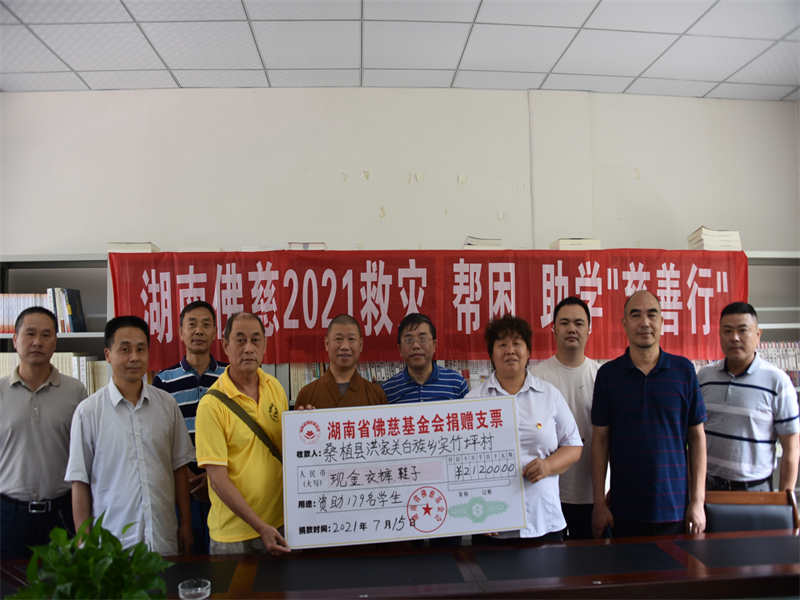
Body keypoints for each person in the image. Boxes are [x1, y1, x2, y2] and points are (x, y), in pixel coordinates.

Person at [66, 316, 194, 555]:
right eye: (125, 349)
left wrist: (185, 524)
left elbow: (179, 469)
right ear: (108, 355)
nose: (134, 357)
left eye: (140, 349)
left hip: (163, 540)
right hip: (112, 547)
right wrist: (84, 543)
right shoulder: (88, 412)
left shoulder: (167, 405)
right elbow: (80, 482)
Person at [591, 290, 707, 539]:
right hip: (623, 510)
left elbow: (697, 438)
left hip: (675, 508)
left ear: (662, 322)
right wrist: (599, 503)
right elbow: (600, 440)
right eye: (636, 315)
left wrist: (697, 502)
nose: (644, 322)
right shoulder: (608, 375)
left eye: (652, 315)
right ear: (624, 323)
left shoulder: (684, 371)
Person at [468, 314, 582, 542]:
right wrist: (475, 512)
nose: (510, 350)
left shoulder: (549, 395)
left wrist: (547, 466)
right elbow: (461, 462)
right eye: (502, 344)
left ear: (528, 351)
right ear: (491, 354)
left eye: (517, 343)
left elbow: (573, 446)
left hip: (543, 520)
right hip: (491, 522)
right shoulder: (473, 400)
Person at [195, 312, 290, 555]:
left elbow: (286, 451)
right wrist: (260, 526)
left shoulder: (275, 388)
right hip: (233, 537)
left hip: (279, 524)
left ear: (265, 345)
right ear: (226, 345)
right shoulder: (211, 405)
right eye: (240, 340)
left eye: (255, 340)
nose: (248, 348)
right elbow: (217, 479)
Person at [0, 307, 86, 561]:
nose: (37, 342)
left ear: (55, 342)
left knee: (65, 582)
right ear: (15, 340)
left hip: (61, 511)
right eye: (30, 333)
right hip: (9, 514)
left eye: (46, 335)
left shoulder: (75, 391)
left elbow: (85, 454)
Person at [699, 302, 799, 492]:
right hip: (708, 487)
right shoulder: (704, 377)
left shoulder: (778, 381)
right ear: (719, 335)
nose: (734, 338)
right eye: (727, 331)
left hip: (754, 489)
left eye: (742, 330)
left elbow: (791, 446)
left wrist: (784, 499)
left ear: (758, 335)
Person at [153, 300, 226, 553]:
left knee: (225, 562)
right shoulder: (163, 381)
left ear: (215, 332)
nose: (199, 331)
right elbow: (161, 437)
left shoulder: (229, 377)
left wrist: (214, 478)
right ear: (181, 332)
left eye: (206, 325)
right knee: (188, 559)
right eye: (192, 324)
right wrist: (187, 477)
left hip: (225, 483)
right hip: (182, 485)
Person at [532, 296, 598, 540]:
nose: (572, 329)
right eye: (565, 323)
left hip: (591, 492)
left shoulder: (601, 376)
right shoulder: (536, 377)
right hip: (547, 490)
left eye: (579, 323)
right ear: (554, 329)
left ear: (589, 330)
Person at [295, 314, 386, 408]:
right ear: (327, 343)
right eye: (338, 339)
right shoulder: (307, 395)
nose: (345, 346)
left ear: (360, 345)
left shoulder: (376, 395)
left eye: (351, 339)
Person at [381, 313, 468, 404]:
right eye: (409, 340)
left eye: (422, 339)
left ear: (434, 345)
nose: (416, 346)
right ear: (400, 349)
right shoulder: (388, 390)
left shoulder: (457, 383)